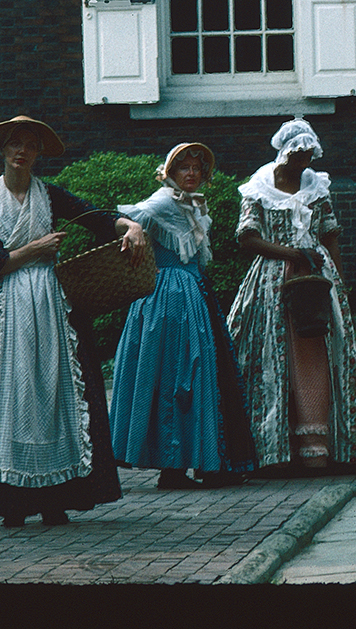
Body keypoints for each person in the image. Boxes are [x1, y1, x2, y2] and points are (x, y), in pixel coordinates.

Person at [0, 115, 151, 527]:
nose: (22, 151)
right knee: (9, 397)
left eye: (31, 145)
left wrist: (130, 225)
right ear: (2, 149)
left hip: (52, 308)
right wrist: (33, 249)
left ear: (39, 153)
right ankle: (11, 502)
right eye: (15, 144)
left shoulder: (50, 196)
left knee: (55, 394)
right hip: (5, 310)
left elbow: (95, 217)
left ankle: (58, 497)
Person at [227, 118, 356, 476]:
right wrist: (290, 253)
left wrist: (338, 282)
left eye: (309, 154)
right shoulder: (259, 187)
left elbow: (330, 234)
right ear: (285, 152)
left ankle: (324, 450)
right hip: (273, 280)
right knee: (270, 359)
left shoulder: (316, 186)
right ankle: (274, 451)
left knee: (320, 355)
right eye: (299, 155)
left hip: (315, 276)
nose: (305, 161)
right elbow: (246, 238)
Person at [108, 142, 256, 488]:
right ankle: (172, 467)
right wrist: (132, 245)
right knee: (176, 376)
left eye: (196, 169)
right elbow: (130, 224)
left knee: (200, 375)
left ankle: (204, 460)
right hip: (167, 298)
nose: (191, 174)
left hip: (193, 293)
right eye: (184, 169)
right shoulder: (160, 203)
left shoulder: (192, 206)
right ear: (171, 173)